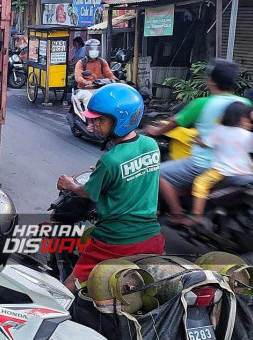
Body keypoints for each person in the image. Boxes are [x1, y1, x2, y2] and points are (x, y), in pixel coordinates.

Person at [57, 84, 165, 291]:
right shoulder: (151, 146)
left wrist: (69, 184)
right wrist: (105, 174)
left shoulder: (110, 161)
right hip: (151, 238)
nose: (94, 124)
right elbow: (135, 173)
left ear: (121, 120)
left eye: (101, 119)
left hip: (114, 241)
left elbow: (87, 192)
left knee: (68, 286)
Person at [144, 59, 251, 224]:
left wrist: (155, 130)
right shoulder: (245, 103)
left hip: (205, 164)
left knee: (158, 173)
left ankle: (178, 215)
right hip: (242, 165)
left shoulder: (202, 103)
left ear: (211, 81)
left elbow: (174, 123)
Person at [186, 101, 253, 225]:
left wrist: (196, 139)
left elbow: (205, 144)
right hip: (247, 172)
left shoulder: (219, 130)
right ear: (243, 118)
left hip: (222, 171)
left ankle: (196, 216)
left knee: (200, 184)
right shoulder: (248, 135)